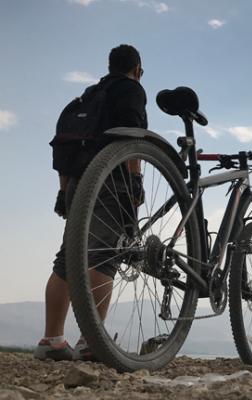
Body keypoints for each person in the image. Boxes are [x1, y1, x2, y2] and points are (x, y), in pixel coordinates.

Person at [35, 44, 147, 361]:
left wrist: (63, 191)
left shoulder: (87, 97)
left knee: (68, 260)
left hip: (76, 184)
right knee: (104, 257)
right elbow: (132, 137)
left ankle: (52, 340)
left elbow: (65, 149)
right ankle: (91, 341)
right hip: (110, 181)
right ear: (137, 69)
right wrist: (134, 183)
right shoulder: (131, 90)